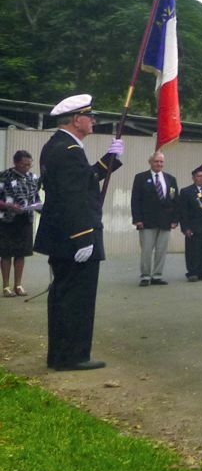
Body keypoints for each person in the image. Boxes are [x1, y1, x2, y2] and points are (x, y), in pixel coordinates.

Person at [33, 94, 123, 370]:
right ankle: (72, 356)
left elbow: (82, 180)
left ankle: (62, 355)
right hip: (75, 238)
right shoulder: (69, 150)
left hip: (64, 237)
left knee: (64, 296)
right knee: (76, 299)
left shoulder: (59, 146)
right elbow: (73, 196)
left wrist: (110, 159)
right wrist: (83, 236)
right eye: (89, 116)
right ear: (76, 120)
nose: (93, 120)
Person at [130, 150, 179, 287]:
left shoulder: (170, 179)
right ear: (150, 162)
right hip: (146, 221)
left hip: (165, 221)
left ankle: (157, 275)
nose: (159, 164)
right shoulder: (140, 177)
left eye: (161, 161)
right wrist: (137, 219)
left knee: (161, 250)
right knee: (146, 250)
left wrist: (175, 219)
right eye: (156, 161)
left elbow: (175, 200)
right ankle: (145, 276)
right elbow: (135, 200)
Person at [1, 149, 42, 297]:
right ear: (16, 163)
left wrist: (39, 207)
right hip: (7, 220)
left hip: (26, 220)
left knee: (21, 253)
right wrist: (9, 206)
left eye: (29, 165)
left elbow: (36, 197)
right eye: (24, 165)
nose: (27, 168)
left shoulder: (33, 177)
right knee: (6, 254)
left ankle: (18, 285)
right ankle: (6, 287)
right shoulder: (4, 175)